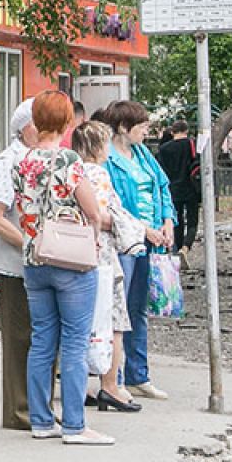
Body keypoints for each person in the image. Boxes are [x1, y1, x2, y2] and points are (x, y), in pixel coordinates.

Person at [12, 90, 115, 446]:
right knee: (73, 342)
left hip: (33, 259)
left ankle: (41, 420)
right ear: (67, 122)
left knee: (41, 341)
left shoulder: (20, 162)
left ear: (36, 121)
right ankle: (75, 425)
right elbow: (91, 208)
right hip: (71, 259)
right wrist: (96, 226)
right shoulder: (68, 159)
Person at [99, 100, 176, 400]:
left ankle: (137, 374)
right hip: (124, 239)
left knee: (138, 307)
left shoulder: (144, 154)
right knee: (118, 309)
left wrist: (168, 221)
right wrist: (144, 229)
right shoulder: (106, 158)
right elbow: (112, 202)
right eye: (142, 126)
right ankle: (114, 376)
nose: (146, 131)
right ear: (123, 127)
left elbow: (162, 187)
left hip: (151, 238)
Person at [73, 120, 143, 413]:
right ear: (99, 147)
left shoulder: (71, 171)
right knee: (114, 320)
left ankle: (81, 385)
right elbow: (101, 215)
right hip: (101, 255)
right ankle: (111, 385)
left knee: (79, 322)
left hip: (75, 252)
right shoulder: (98, 175)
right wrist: (125, 224)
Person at [0, 98, 43, 431]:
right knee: (20, 337)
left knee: (43, 336)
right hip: (16, 264)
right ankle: (19, 410)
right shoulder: (9, 161)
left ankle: (38, 407)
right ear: (26, 128)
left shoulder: (43, 159)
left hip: (43, 262)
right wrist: (31, 243)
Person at [155, 120, 202, 253]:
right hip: (191, 188)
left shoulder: (164, 149)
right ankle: (186, 247)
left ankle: (177, 248)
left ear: (172, 132)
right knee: (192, 220)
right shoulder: (192, 144)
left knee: (177, 221)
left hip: (172, 190)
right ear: (186, 131)